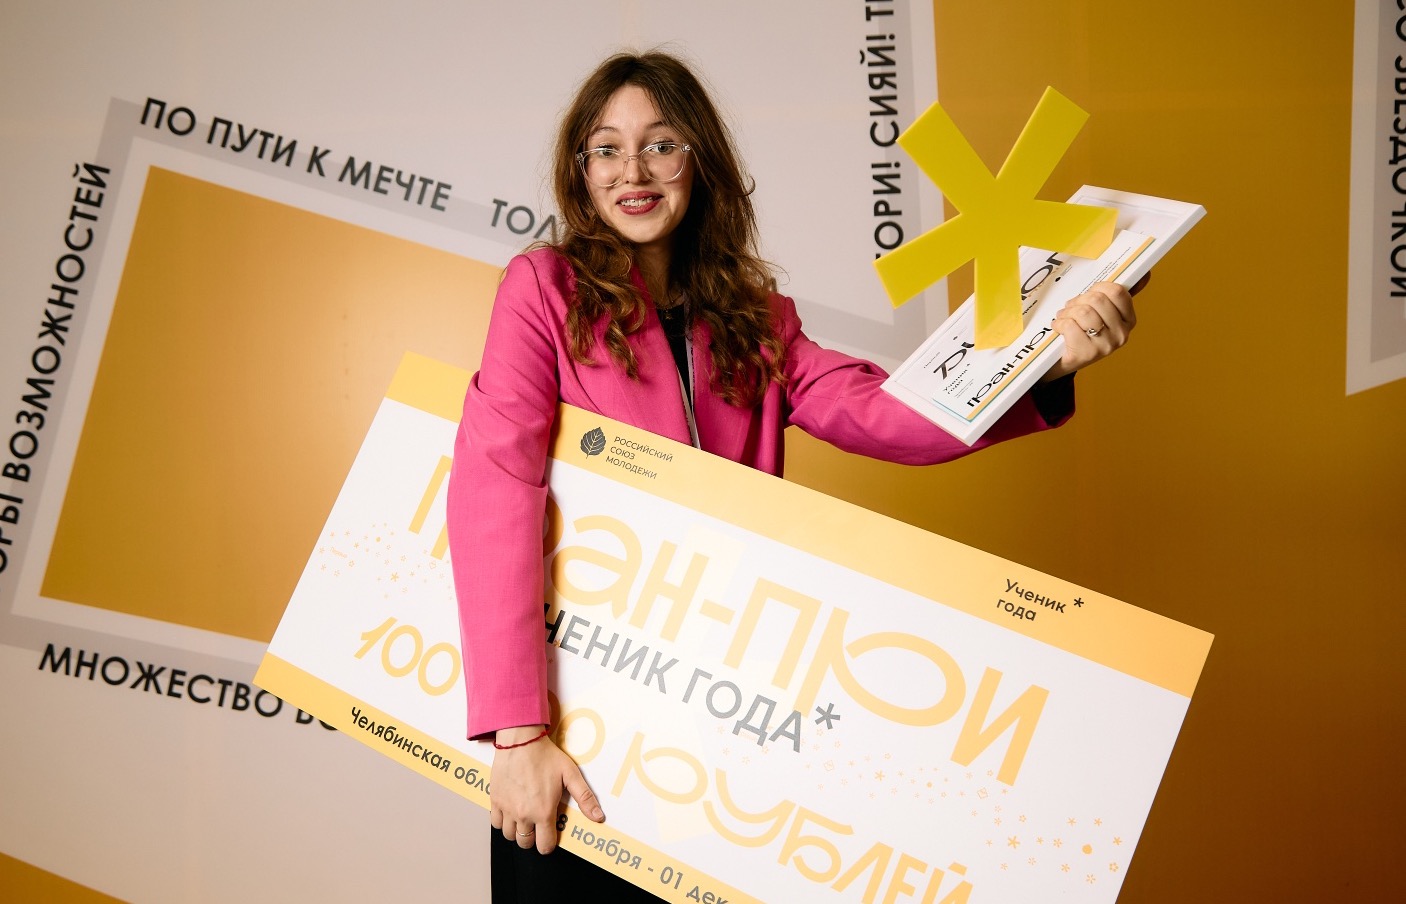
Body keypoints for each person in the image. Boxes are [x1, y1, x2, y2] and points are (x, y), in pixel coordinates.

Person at [446, 51, 1138, 903]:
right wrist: (517, 735)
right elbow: (494, 490)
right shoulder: (542, 291)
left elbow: (883, 413)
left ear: (699, 160)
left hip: (716, 721)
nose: (633, 171)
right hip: (575, 723)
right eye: (607, 149)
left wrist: (1044, 364)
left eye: (661, 145)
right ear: (580, 171)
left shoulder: (758, 320)